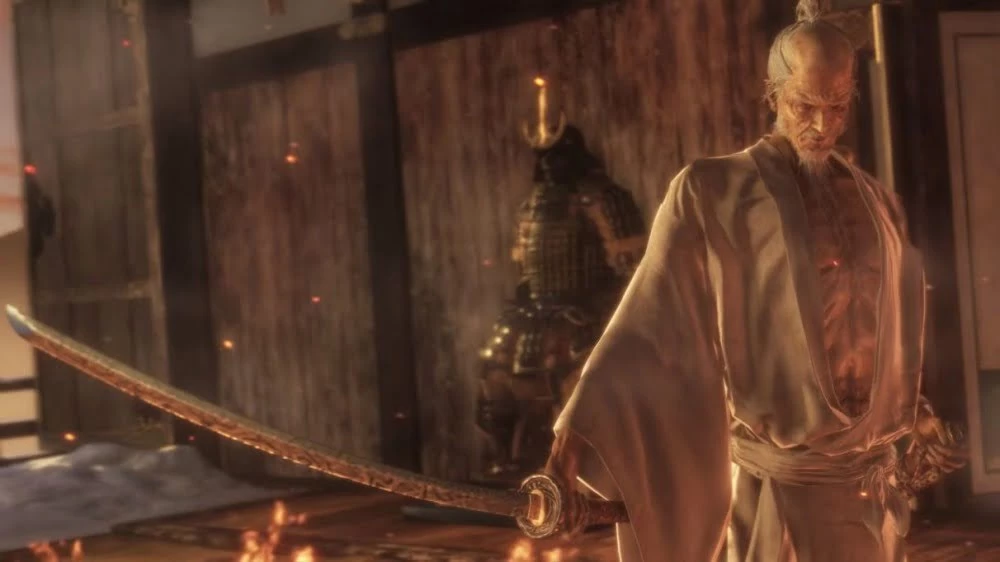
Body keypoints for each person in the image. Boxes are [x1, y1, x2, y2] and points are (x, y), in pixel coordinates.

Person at [543, 2, 966, 561]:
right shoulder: (713, 193)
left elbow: (877, 335)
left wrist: (914, 413)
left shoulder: (880, 204)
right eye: (805, 105)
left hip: (870, 492)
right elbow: (642, 329)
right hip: (782, 498)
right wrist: (567, 453)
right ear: (773, 95)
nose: (822, 125)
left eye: (838, 106)